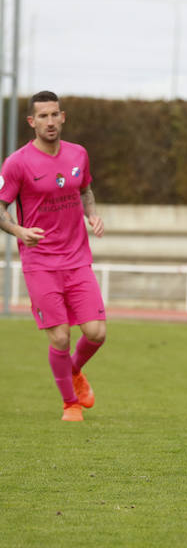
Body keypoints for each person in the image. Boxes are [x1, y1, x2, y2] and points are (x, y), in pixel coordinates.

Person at [0, 91, 107, 422]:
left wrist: (91, 214)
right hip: (41, 263)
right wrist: (19, 232)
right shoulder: (17, 163)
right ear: (32, 122)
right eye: (42, 116)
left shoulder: (78, 154)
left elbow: (85, 189)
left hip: (77, 259)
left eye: (54, 115)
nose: (49, 121)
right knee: (60, 336)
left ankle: (73, 369)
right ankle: (70, 404)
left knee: (96, 333)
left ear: (63, 118)